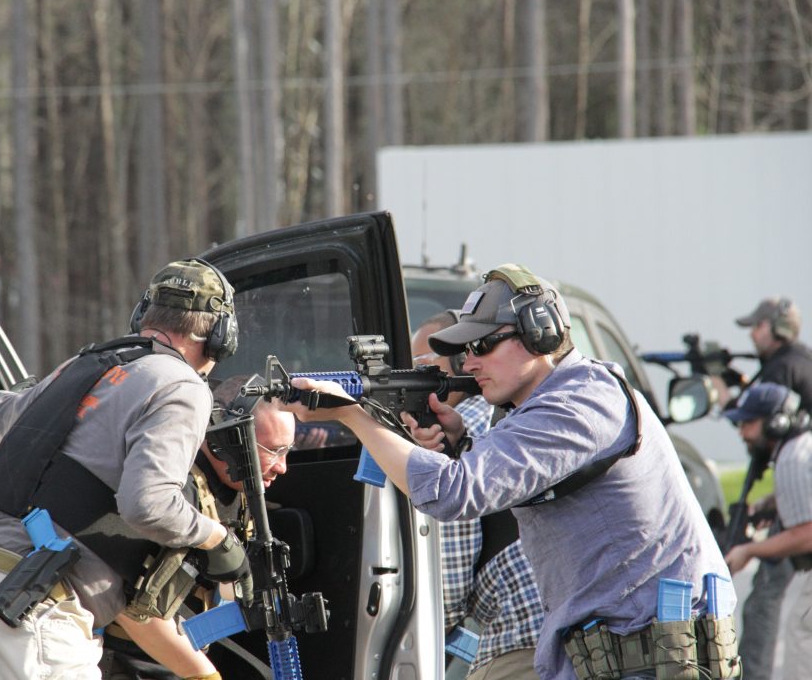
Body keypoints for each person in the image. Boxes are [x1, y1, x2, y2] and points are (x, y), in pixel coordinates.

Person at [283, 264, 733, 680]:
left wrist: (353, 417)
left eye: (482, 345)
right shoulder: (556, 401)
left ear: (539, 335)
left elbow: (451, 493)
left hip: (650, 658)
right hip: (627, 654)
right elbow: (518, 478)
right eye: (465, 349)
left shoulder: (577, 403)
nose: (469, 362)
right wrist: (460, 443)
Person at [0, 259, 249, 680]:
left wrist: (44, 394)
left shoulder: (88, 363)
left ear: (144, 314)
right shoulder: (182, 385)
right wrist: (217, 538)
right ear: (220, 336)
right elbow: (148, 504)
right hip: (34, 610)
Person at [101, 374, 296, 679]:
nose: (283, 466)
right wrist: (202, 674)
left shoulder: (238, 493)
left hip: (177, 653)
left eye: (287, 451)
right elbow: (129, 611)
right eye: (274, 450)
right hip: (129, 663)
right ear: (229, 437)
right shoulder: (173, 492)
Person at [414, 312, 543, 679]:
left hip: (523, 633)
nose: (413, 373)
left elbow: (448, 593)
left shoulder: (466, 426)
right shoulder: (502, 413)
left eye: (423, 363)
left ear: (460, 364)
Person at [730, 297, 812, 680]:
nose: (742, 432)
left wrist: (750, 548)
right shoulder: (803, 363)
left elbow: (805, 534)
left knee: (790, 626)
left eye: (758, 325)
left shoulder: (793, 455)